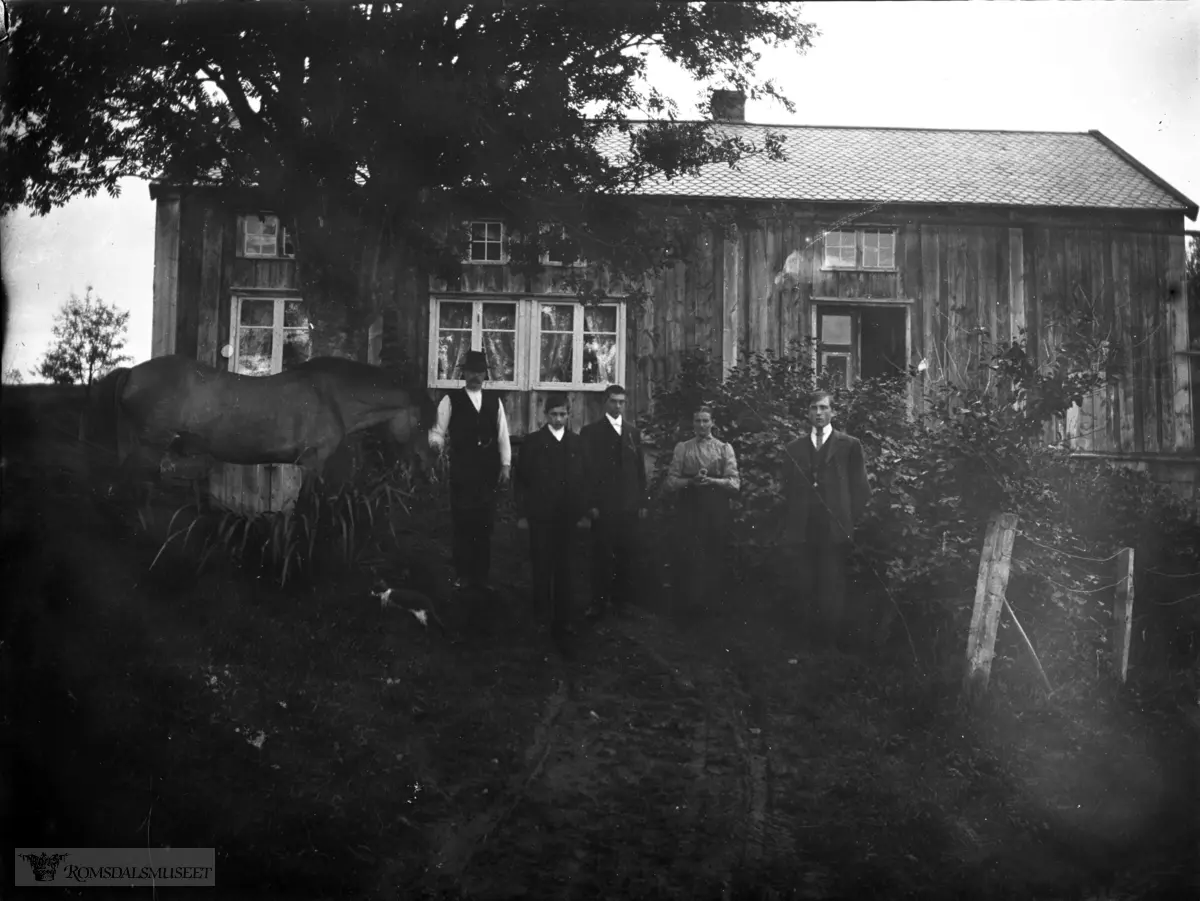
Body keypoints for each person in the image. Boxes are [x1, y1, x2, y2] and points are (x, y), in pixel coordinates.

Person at [779, 390, 871, 651]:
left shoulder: (849, 445)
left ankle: (829, 648)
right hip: (804, 530)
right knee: (804, 586)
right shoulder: (794, 448)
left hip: (834, 531)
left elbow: (861, 490)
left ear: (832, 411)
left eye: (823, 408)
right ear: (807, 413)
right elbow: (785, 490)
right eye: (813, 408)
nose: (818, 413)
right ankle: (805, 647)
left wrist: (845, 520)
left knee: (832, 587)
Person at [428, 349, 511, 592]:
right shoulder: (450, 400)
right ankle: (462, 575)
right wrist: (436, 451)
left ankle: (481, 577)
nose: (476, 376)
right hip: (463, 472)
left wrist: (505, 465)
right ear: (463, 373)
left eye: (480, 372)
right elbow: (437, 431)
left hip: (487, 472)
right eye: (471, 371)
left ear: (485, 374)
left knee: (484, 525)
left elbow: (503, 435)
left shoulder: (495, 401)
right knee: (463, 523)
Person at [514, 393, 589, 656]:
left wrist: (581, 513)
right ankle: (540, 617)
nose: (559, 419)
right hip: (541, 517)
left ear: (569, 416)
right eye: (554, 414)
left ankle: (564, 620)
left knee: (566, 568)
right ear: (545, 415)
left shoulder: (576, 443)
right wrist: (524, 514)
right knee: (542, 566)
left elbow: (583, 481)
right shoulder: (533, 443)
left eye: (563, 414)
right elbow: (521, 481)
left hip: (567, 518)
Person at [662, 405, 740, 620]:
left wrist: (712, 481)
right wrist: (690, 481)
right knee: (689, 556)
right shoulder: (683, 448)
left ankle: (713, 609)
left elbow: (735, 484)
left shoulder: (724, 449)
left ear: (712, 422)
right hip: (690, 507)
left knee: (714, 555)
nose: (702, 425)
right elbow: (670, 483)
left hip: (716, 509)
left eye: (706, 421)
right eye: (698, 421)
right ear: (693, 424)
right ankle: (688, 609)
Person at [580, 384, 649, 617]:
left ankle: (621, 602)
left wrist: (642, 502)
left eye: (621, 402)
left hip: (628, 505)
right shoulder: (591, 433)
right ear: (605, 403)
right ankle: (598, 602)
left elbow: (640, 471)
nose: (618, 405)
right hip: (603, 506)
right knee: (601, 554)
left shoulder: (632, 433)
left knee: (625, 553)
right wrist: (590, 504)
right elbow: (585, 472)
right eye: (613, 401)